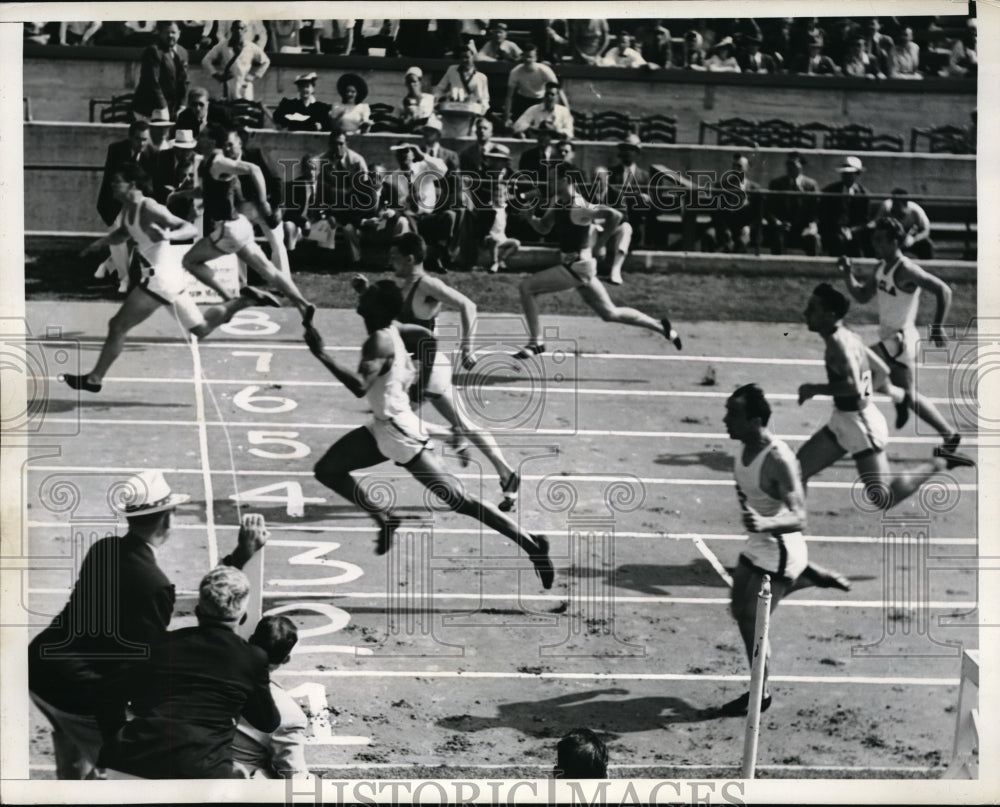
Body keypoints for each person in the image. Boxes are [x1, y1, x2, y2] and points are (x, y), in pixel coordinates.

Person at [304, 280, 554, 588]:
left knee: (462, 502)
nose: (362, 298)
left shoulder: (379, 342)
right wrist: (420, 377)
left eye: (366, 297)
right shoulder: (396, 328)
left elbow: (359, 386)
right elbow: (427, 338)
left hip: (399, 433)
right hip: (385, 424)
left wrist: (321, 353)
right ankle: (385, 517)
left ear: (375, 309)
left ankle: (532, 546)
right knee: (328, 470)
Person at [29, 469, 269, 779]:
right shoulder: (155, 585)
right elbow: (143, 663)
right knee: (116, 765)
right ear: (167, 518)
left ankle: (68, 784)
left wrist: (237, 557)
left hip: (40, 666)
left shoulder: (104, 550)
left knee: (69, 738)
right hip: (75, 688)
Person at [64, 165, 270, 394]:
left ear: (131, 184)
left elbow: (188, 228)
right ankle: (245, 300)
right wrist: (99, 244)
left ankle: (94, 379)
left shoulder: (149, 206)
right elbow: (124, 232)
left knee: (117, 325)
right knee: (200, 329)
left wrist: (168, 235)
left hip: (159, 279)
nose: (112, 186)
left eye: (116, 182)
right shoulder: (128, 209)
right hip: (169, 279)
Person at [359, 232, 521, 507]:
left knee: (394, 424)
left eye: (395, 257)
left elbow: (468, 305)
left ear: (411, 258)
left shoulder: (427, 285)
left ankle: (447, 442)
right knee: (463, 423)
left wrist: (467, 347)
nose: (391, 261)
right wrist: (364, 292)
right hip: (425, 369)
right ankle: (507, 474)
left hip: (425, 370)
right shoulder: (403, 285)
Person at [719, 383, 852, 717]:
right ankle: (805, 576)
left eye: (733, 413)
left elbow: (799, 515)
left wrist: (765, 525)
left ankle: (760, 693)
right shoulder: (743, 447)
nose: (725, 419)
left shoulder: (778, 458)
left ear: (754, 420)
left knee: (752, 618)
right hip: (759, 545)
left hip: (780, 549)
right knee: (738, 610)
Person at [796, 283, 973, 513]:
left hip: (861, 427)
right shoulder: (847, 336)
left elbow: (854, 385)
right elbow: (881, 372)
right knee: (798, 470)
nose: (806, 313)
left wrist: (815, 389)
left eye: (812, 308)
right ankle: (794, 532)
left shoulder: (839, 346)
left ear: (829, 315)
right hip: (845, 419)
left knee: (883, 497)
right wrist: (863, 401)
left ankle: (940, 462)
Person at [98, 565, 279, 778]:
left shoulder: (161, 644)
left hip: (131, 758)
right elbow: (268, 722)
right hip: (200, 772)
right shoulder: (252, 658)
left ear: (198, 611)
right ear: (243, 617)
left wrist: (116, 736)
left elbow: (109, 695)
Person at [513, 163, 682, 358]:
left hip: (577, 266)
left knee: (526, 287)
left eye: (552, 179)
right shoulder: (558, 202)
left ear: (565, 180)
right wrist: (529, 217)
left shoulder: (579, 206)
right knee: (610, 313)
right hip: (578, 268)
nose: (548, 182)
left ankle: (536, 343)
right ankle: (661, 327)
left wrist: (600, 244)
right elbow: (543, 228)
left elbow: (615, 215)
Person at [839, 217, 961, 454]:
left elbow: (943, 290)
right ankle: (949, 434)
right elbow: (863, 296)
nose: (876, 245)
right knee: (910, 395)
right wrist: (847, 274)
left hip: (901, 339)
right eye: (874, 240)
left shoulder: (905, 268)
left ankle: (859, 416)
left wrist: (937, 327)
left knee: (861, 364)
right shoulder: (881, 266)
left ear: (895, 242)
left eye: (881, 240)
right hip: (891, 338)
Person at [180, 130, 315, 319]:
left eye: (197, 141)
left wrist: (264, 202)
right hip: (241, 226)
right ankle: (304, 304)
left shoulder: (218, 161)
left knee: (190, 261)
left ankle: (230, 299)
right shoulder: (211, 163)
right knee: (269, 271)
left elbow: (255, 170)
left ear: (210, 141)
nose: (194, 147)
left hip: (228, 229)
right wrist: (178, 195)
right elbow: (203, 192)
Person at [231, 616, 310, 779]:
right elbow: (295, 776)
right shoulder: (289, 715)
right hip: (237, 787)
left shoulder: (210, 674)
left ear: (250, 641)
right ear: (286, 659)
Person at [95, 121, 159, 293]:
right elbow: (111, 180)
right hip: (115, 203)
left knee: (135, 238)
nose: (142, 144)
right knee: (118, 235)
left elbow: (151, 185)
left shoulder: (153, 154)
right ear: (130, 137)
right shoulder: (116, 150)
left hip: (140, 203)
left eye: (145, 140)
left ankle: (109, 265)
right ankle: (123, 278)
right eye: (138, 139)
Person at [605, 133, 652, 267]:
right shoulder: (611, 173)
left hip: (635, 218)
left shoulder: (644, 176)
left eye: (631, 150)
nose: (627, 153)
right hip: (616, 218)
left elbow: (650, 198)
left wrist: (645, 198)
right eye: (625, 150)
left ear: (637, 154)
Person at [765, 151, 820, 256]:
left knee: (814, 238)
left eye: (793, 164)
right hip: (783, 226)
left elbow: (816, 209)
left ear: (801, 167)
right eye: (788, 164)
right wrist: (778, 222)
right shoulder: (776, 184)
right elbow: (769, 209)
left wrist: (812, 225)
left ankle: (813, 269)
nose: (790, 168)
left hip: (804, 227)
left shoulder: (811, 185)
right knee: (777, 237)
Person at [132, 21, 189, 122]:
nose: (170, 35)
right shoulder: (153, 51)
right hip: (149, 109)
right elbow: (152, 81)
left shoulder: (182, 52)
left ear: (179, 33)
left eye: (173, 32)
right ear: (160, 33)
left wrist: (182, 106)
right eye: (166, 32)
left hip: (171, 109)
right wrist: (163, 107)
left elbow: (184, 81)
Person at [202, 20, 271, 101]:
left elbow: (266, 61)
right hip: (228, 84)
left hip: (244, 84)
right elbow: (206, 60)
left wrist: (254, 75)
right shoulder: (223, 46)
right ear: (231, 30)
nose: (238, 31)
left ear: (245, 31)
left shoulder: (251, 47)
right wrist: (216, 75)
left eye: (241, 29)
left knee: (245, 109)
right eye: (236, 28)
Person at [819, 156, 870, 258]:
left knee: (856, 242)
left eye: (850, 174)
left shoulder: (864, 194)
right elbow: (824, 215)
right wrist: (838, 229)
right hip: (833, 230)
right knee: (835, 240)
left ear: (857, 174)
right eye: (844, 173)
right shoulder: (830, 191)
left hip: (854, 231)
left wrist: (851, 231)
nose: (846, 177)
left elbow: (864, 221)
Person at [504, 44, 562, 126]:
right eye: (525, 56)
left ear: (535, 58)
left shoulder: (544, 70)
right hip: (522, 101)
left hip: (540, 101)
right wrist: (506, 118)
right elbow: (509, 96)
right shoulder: (515, 72)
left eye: (530, 57)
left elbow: (557, 91)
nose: (527, 59)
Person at [870, 188, 933, 259]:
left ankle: (928, 266)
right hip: (891, 238)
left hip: (908, 238)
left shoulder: (916, 211)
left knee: (926, 244)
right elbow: (877, 226)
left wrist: (913, 239)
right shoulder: (885, 207)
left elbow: (926, 231)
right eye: (894, 204)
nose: (895, 209)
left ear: (906, 205)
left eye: (898, 205)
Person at [433, 42, 490, 113]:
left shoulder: (481, 77)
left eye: (467, 57)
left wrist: (481, 110)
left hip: (471, 111)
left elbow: (485, 99)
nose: (464, 60)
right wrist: (437, 99)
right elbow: (440, 88)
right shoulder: (452, 70)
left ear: (473, 57)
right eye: (462, 57)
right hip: (452, 108)